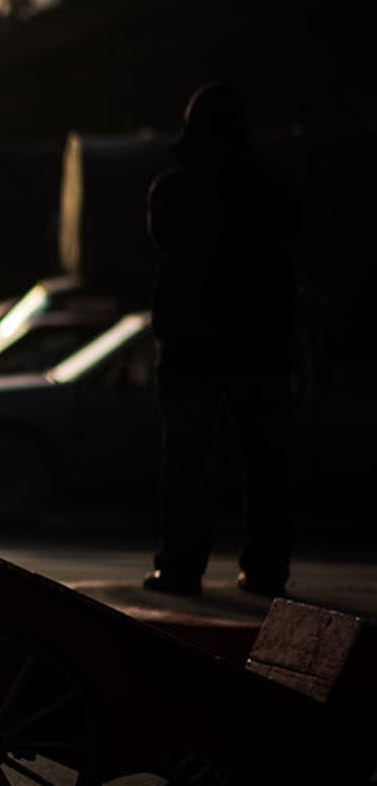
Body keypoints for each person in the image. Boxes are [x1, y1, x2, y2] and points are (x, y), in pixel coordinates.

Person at [142, 82, 299, 599]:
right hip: (261, 347)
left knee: (187, 463)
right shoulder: (274, 190)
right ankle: (266, 567)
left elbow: (167, 244)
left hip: (190, 349)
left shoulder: (170, 192)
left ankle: (183, 566)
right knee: (265, 463)